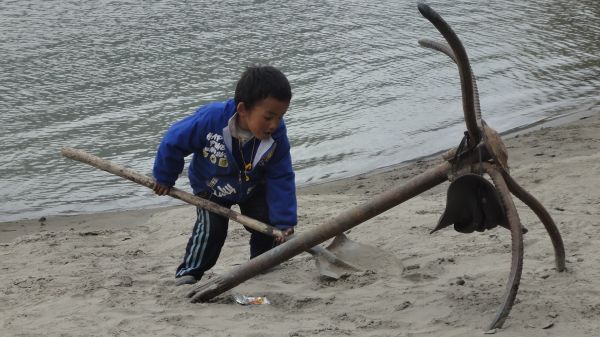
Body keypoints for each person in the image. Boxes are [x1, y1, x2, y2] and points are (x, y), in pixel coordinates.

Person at [152, 65, 297, 286]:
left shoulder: (276, 135)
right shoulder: (210, 120)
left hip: (252, 186)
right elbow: (173, 142)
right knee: (212, 229)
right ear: (242, 109)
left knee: (267, 224)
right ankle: (190, 272)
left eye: (280, 116)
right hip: (210, 185)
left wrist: (285, 221)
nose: (274, 124)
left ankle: (263, 262)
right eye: (268, 117)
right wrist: (164, 177)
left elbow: (281, 175)